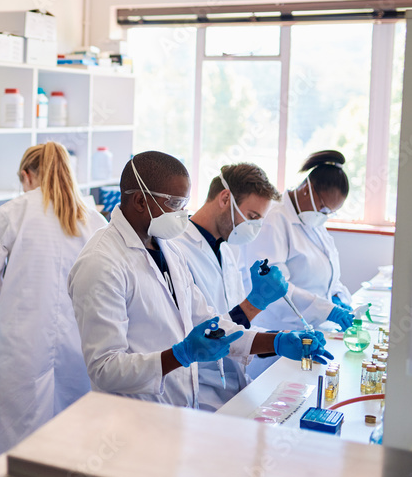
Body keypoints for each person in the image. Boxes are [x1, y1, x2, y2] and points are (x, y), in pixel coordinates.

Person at [68, 151, 330, 407]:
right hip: (135, 416)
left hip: (181, 408)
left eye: (185, 204)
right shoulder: (101, 262)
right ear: (139, 201)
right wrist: (180, 355)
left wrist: (276, 341)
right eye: (175, 205)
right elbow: (104, 369)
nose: (183, 214)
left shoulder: (167, 249)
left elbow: (211, 325)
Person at [0, 141, 107, 461]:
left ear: (26, 175)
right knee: (71, 449)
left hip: (22, 350)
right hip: (80, 350)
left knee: (15, 453)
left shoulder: (10, 214)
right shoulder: (95, 220)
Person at [175, 163, 285, 411]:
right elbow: (204, 332)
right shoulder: (178, 250)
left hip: (234, 386)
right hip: (202, 392)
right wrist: (255, 305)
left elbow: (234, 323)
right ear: (225, 198)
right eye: (253, 216)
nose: (254, 226)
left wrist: (277, 340)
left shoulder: (226, 249)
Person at [241, 150, 355, 335]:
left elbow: (329, 274)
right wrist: (327, 310)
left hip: (312, 329)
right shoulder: (273, 218)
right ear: (307, 189)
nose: (324, 215)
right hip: (278, 332)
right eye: (323, 207)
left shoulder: (313, 220)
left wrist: (337, 297)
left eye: (330, 212)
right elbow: (273, 285)